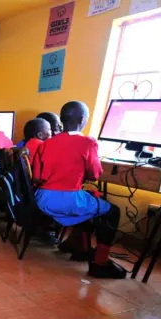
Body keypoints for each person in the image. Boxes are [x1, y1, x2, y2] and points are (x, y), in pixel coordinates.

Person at [32, 101, 125, 279]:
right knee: (111, 211)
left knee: (89, 201)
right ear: (82, 119)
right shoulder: (88, 143)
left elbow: (37, 176)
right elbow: (95, 174)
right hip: (67, 200)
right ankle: (100, 263)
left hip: (42, 199)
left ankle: (80, 247)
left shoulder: (46, 143)